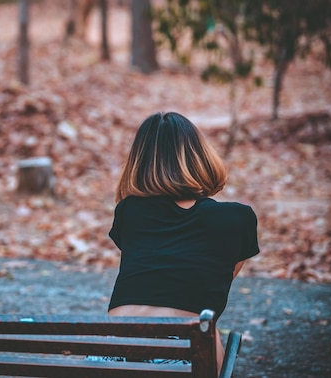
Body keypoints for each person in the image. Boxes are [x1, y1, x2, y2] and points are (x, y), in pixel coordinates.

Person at [107, 111, 260, 371]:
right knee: (209, 337)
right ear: (201, 157)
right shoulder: (238, 219)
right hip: (184, 357)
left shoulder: (129, 212)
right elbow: (213, 280)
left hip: (112, 352)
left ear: (139, 163)